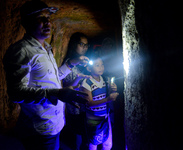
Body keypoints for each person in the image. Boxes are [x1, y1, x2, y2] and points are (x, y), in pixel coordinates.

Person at [2, 1, 89, 150]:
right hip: (39, 130)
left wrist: (71, 64)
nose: (47, 22)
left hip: (53, 124)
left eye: (48, 18)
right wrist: (57, 93)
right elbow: (16, 93)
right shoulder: (21, 51)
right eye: (40, 18)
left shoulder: (46, 48)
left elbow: (52, 79)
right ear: (26, 22)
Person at [80, 56, 119, 150]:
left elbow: (107, 95)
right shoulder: (86, 83)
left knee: (108, 144)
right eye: (97, 65)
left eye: (102, 65)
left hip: (105, 117)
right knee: (93, 144)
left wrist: (113, 90)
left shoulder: (105, 80)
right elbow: (89, 103)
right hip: (93, 120)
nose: (101, 67)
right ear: (89, 68)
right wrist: (108, 99)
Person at [60, 32, 91, 150]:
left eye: (86, 45)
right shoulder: (70, 62)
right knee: (76, 136)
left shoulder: (85, 61)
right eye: (81, 44)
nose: (84, 48)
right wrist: (80, 76)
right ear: (74, 45)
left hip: (85, 104)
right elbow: (68, 85)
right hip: (75, 106)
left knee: (84, 134)